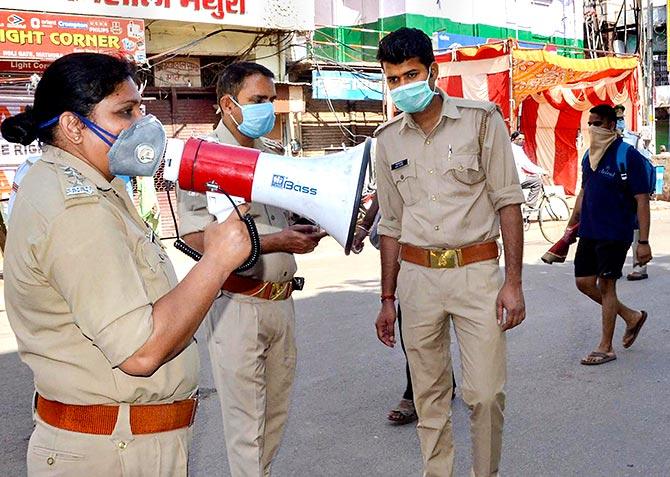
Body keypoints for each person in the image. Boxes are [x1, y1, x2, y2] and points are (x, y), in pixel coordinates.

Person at [1, 53, 251, 476]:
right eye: (125, 112)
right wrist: (217, 260)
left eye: (141, 107)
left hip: (120, 443)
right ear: (73, 126)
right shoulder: (75, 208)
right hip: (113, 453)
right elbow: (140, 352)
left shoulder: (96, 184)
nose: (142, 123)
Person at [373, 28, 526, 477]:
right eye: (394, 79)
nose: (403, 86)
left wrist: (513, 283)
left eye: (411, 74)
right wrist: (387, 299)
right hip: (417, 280)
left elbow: (508, 201)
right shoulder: (387, 140)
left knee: (484, 394)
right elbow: (391, 225)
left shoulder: (481, 120)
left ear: (433, 71)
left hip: (476, 273)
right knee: (429, 398)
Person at [177, 61, 326, 477]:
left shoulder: (273, 158)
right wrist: (276, 241)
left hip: (281, 304)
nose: (268, 109)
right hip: (237, 304)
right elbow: (194, 238)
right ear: (228, 104)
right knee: (246, 428)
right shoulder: (201, 159)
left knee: (273, 421)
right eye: (257, 101)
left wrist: (304, 232)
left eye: (271, 100)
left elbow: (281, 223)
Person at [567, 104, 651, 365]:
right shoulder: (589, 156)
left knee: (607, 286)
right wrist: (569, 230)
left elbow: (642, 200)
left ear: (612, 126)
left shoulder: (628, 156)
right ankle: (630, 316)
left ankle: (606, 347)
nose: (593, 129)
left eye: (598, 124)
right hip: (590, 231)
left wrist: (644, 243)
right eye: (590, 123)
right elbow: (584, 193)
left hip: (615, 233)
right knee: (583, 282)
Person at [510, 131, 546, 208]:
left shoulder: (509, 148)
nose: (522, 141)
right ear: (513, 139)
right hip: (516, 179)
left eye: (523, 139)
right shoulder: (517, 150)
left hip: (509, 178)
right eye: (519, 139)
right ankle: (530, 204)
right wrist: (543, 171)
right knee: (537, 181)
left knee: (531, 177)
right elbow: (528, 165)